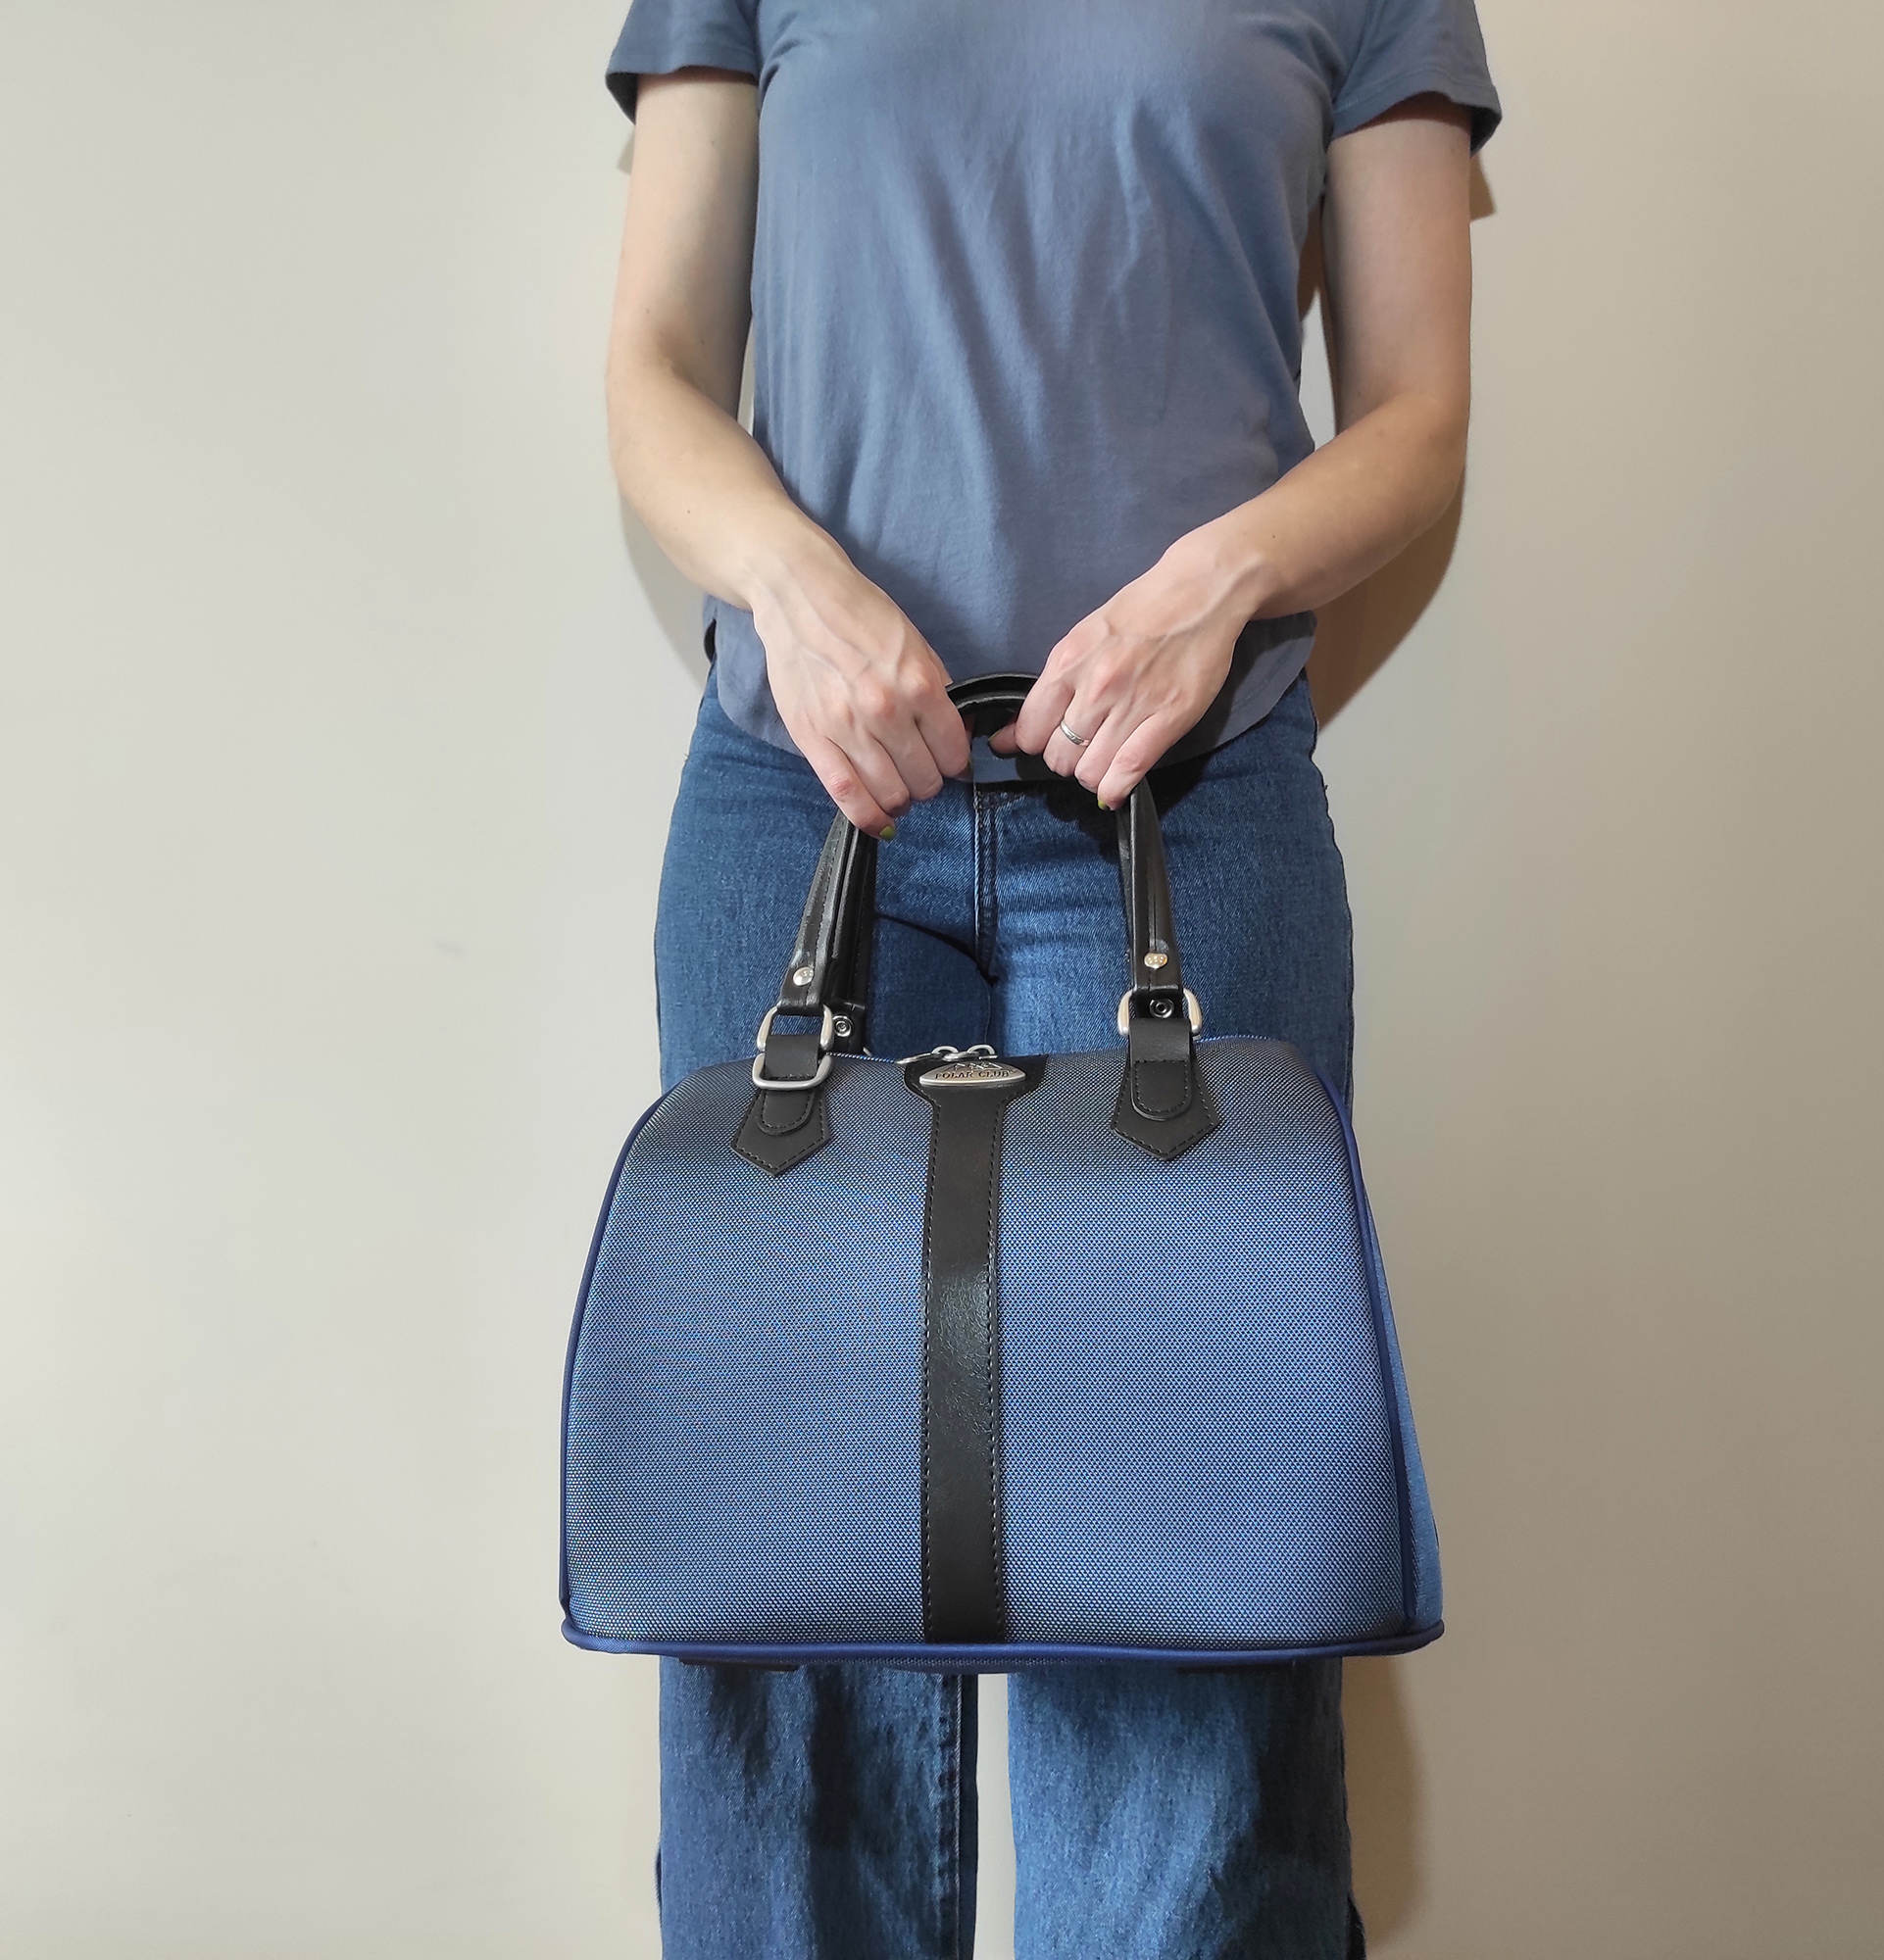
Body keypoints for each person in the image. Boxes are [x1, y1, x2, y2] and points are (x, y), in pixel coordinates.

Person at [599, 2, 1501, 1953]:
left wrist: (1213, 590)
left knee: (1193, 1562)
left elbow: (1417, 415)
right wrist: (791, 580)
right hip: (806, 805)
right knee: (791, 1577)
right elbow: (654, 371)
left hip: (1190, 809)